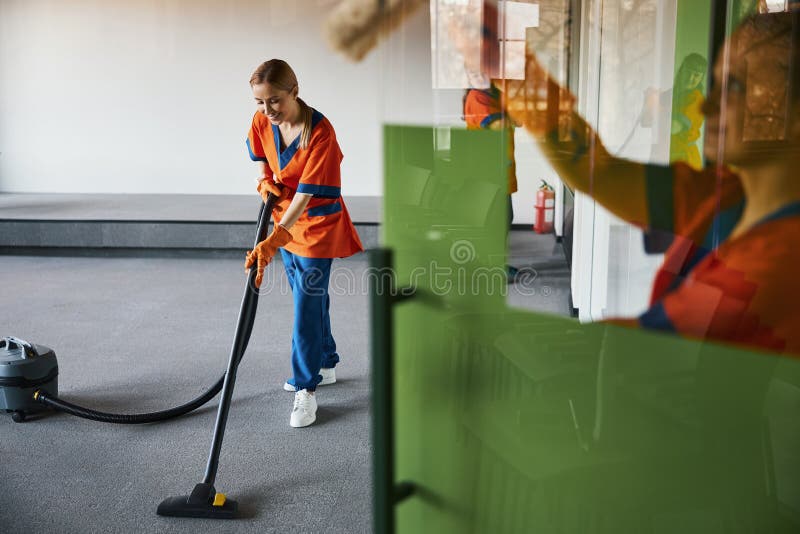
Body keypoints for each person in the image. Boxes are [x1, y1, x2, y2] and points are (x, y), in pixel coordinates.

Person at [500, 11, 800, 357]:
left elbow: (639, 350)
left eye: (735, 86)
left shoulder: (780, 259)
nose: (706, 104)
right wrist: (516, 68)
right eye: (716, 83)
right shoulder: (725, 195)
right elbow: (596, 170)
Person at [245, 59, 364, 427]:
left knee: (305, 305)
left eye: (275, 101)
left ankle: (305, 387)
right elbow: (261, 157)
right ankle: (325, 360)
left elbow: (307, 196)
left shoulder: (320, 133)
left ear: (295, 91)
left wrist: (277, 236)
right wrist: (265, 181)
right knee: (307, 294)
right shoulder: (263, 120)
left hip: (316, 226)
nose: (268, 111)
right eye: (260, 103)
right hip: (284, 218)